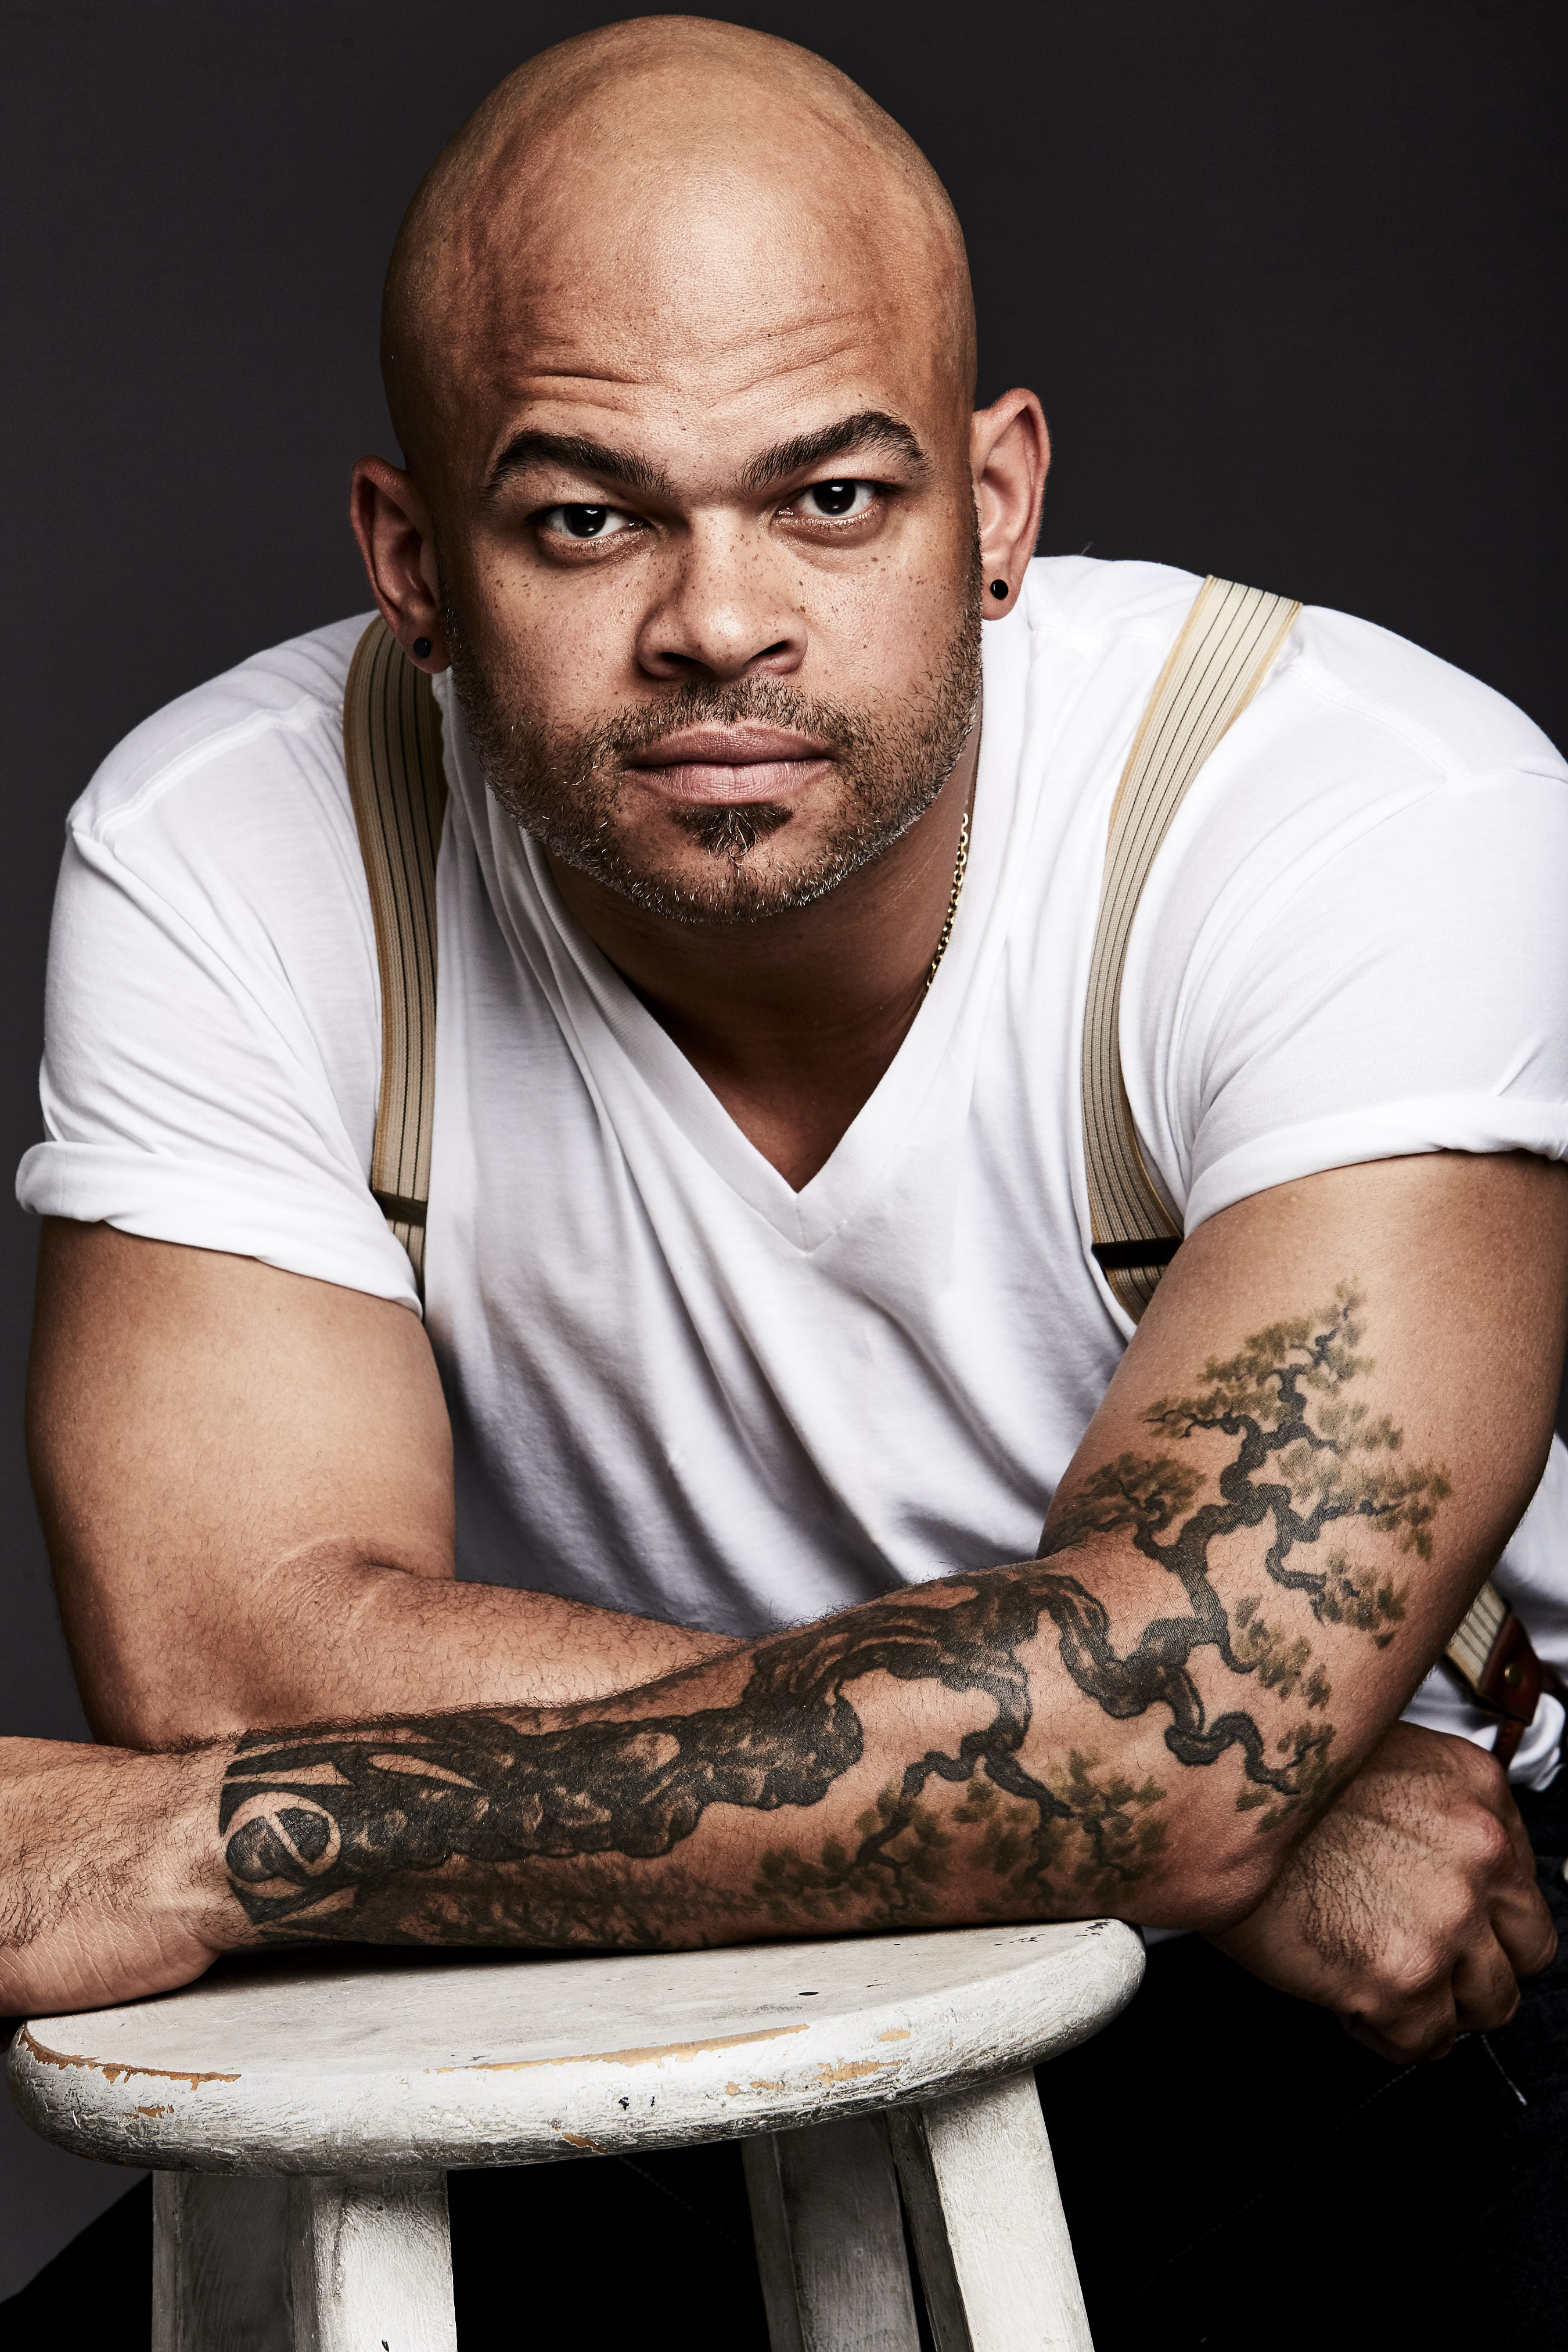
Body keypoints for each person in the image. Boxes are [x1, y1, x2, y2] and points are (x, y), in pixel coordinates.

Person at [3, 16, 1567, 2344]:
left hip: (1422, 1977)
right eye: (585, 517)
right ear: (413, 562)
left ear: (997, 503)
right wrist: (1150, 1802)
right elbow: (229, 1647)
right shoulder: (227, 846)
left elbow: (1177, 1740)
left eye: (830, 498)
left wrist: (219, 1838)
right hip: (664, 1960)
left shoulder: (1353, 814)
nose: (718, 621)